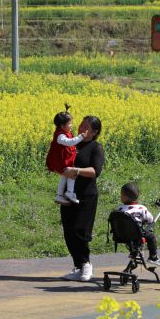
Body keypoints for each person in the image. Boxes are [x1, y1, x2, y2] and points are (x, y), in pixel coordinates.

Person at [60, 115, 104, 282]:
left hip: (86, 195)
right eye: (81, 124)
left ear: (94, 132)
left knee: (80, 231)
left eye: (86, 127)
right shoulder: (72, 143)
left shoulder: (95, 147)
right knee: (68, 231)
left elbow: (95, 171)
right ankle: (78, 266)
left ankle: (86, 264)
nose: (81, 128)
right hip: (67, 193)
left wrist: (76, 170)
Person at [45, 106, 87, 205]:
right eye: (69, 123)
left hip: (65, 159)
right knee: (72, 174)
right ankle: (69, 193)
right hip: (61, 161)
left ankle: (59, 195)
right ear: (62, 126)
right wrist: (81, 137)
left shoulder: (65, 132)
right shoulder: (60, 136)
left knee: (64, 176)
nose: (71, 125)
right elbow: (70, 143)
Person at [117, 182, 160, 266]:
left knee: (133, 234)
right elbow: (151, 220)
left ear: (125, 197)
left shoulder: (119, 209)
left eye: (121, 195)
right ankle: (153, 257)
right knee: (151, 236)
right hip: (136, 235)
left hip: (122, 235)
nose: (120, 196)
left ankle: (134, 252)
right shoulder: (141, 208)